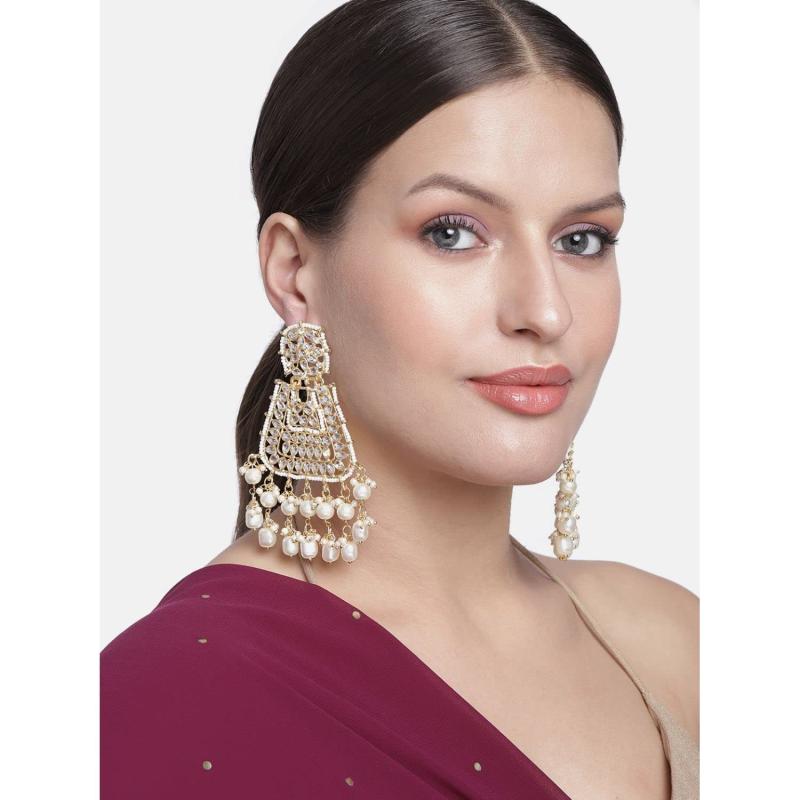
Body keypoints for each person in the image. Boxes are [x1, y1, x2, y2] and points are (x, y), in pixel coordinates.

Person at [101, 1, 698, 798]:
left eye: (581, 239)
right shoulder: (164, 694)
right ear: (293, 272)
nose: (546, 310)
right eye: (453, 232)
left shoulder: (679, 643)